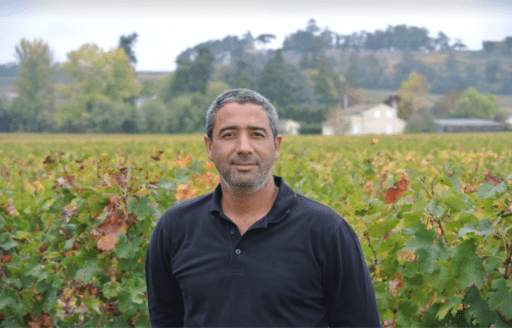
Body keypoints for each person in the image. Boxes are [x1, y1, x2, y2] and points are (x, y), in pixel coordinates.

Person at [145, 88, 381, 327]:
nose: (244, 147)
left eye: (257, 134)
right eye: (228, 135)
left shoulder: (327, 231)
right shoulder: (174, 228)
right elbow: (165, 320)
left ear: (276, 146)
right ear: (209, 147)